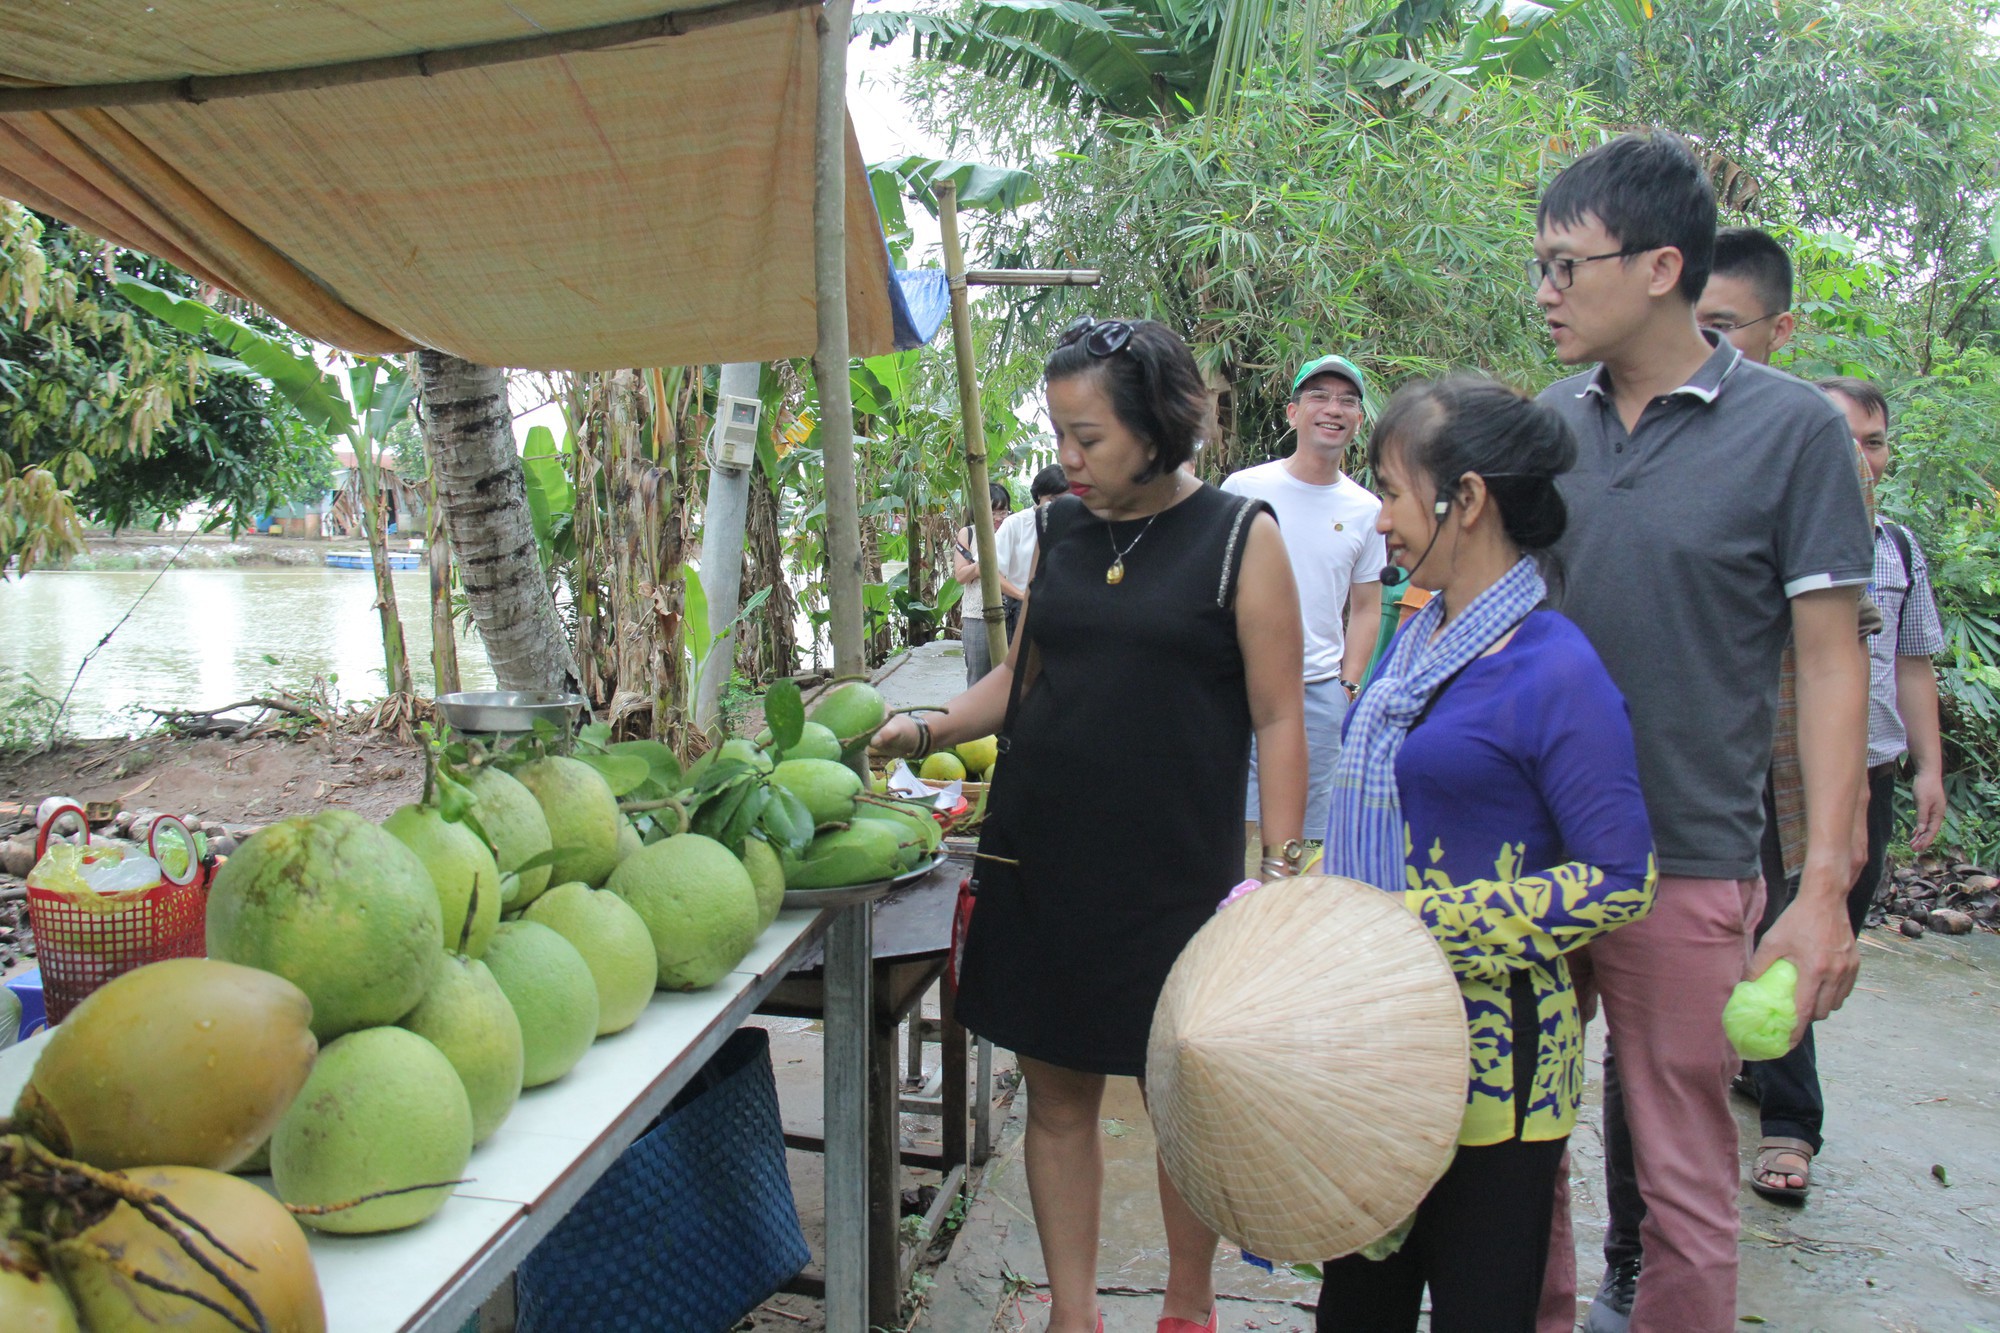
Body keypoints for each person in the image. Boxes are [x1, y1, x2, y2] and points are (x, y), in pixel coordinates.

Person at [871, 316, 1308, 1333]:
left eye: (1088, 437)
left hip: (1174, 878)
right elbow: (1019, 680)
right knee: (1056, 1095)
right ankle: (1075, 1314)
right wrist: (917, 724)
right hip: (1041, 858)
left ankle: (1187, 1308)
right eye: (1058, 433)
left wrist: (1280, 875)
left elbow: (1280, 713)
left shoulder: (1240, 537)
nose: (1065, 458)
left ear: (1158, 429)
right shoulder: (1062, 531)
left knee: (1183, 1109)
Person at [1529, 131, 1872, 1333]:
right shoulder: (1544, 427)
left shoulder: (1791, 434)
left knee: (1680, 1180)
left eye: (1568, 267)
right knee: (1516, 1149)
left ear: (1661, 264)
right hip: (1531, 860)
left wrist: (1821, 882)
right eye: (1540, 266)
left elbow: (1832, 664)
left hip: (1689, 855)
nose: (1546, 293)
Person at [1316, 376, 1656, 1333]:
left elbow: (1624, 875)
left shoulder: (1553, 666)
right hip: (1377, 1050)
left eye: (1390, 489)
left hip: (1494, 1080)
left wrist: (1417, 926)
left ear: (1463, 499)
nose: (1378, 518)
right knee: (1357, 1309)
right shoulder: (1418, 633)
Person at [1222, 354, 1385, 843]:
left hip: (1317, 693)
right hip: (1236, 684)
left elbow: (1366, 607)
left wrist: (1347, 687)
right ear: (1293, 412)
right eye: (1319, 396)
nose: (1333, 409)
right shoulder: (1244, 489)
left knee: (1304, 840)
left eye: (1347, 401)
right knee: (1236, 830)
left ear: (1358, 420)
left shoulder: (1366, 509)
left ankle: (1290, 916)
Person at [993, 464, 1069, 642]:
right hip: (1022, 606)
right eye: (1053, 499)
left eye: (1066, 500)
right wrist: (1024, 597)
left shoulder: (1073, 524)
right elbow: (993, 574)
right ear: (1038, 496)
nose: (1058, 506)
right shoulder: (1016, 524)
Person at [955, 481, 1014, 685]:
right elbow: (961, 575)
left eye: (1003, 511)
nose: (999, 518)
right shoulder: (968, 533)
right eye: (993, 512)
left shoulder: (1013, 532)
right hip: (977, 615)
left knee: (1010, 679)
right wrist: (979, 567)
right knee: (978, 679)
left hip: (1011, 614)